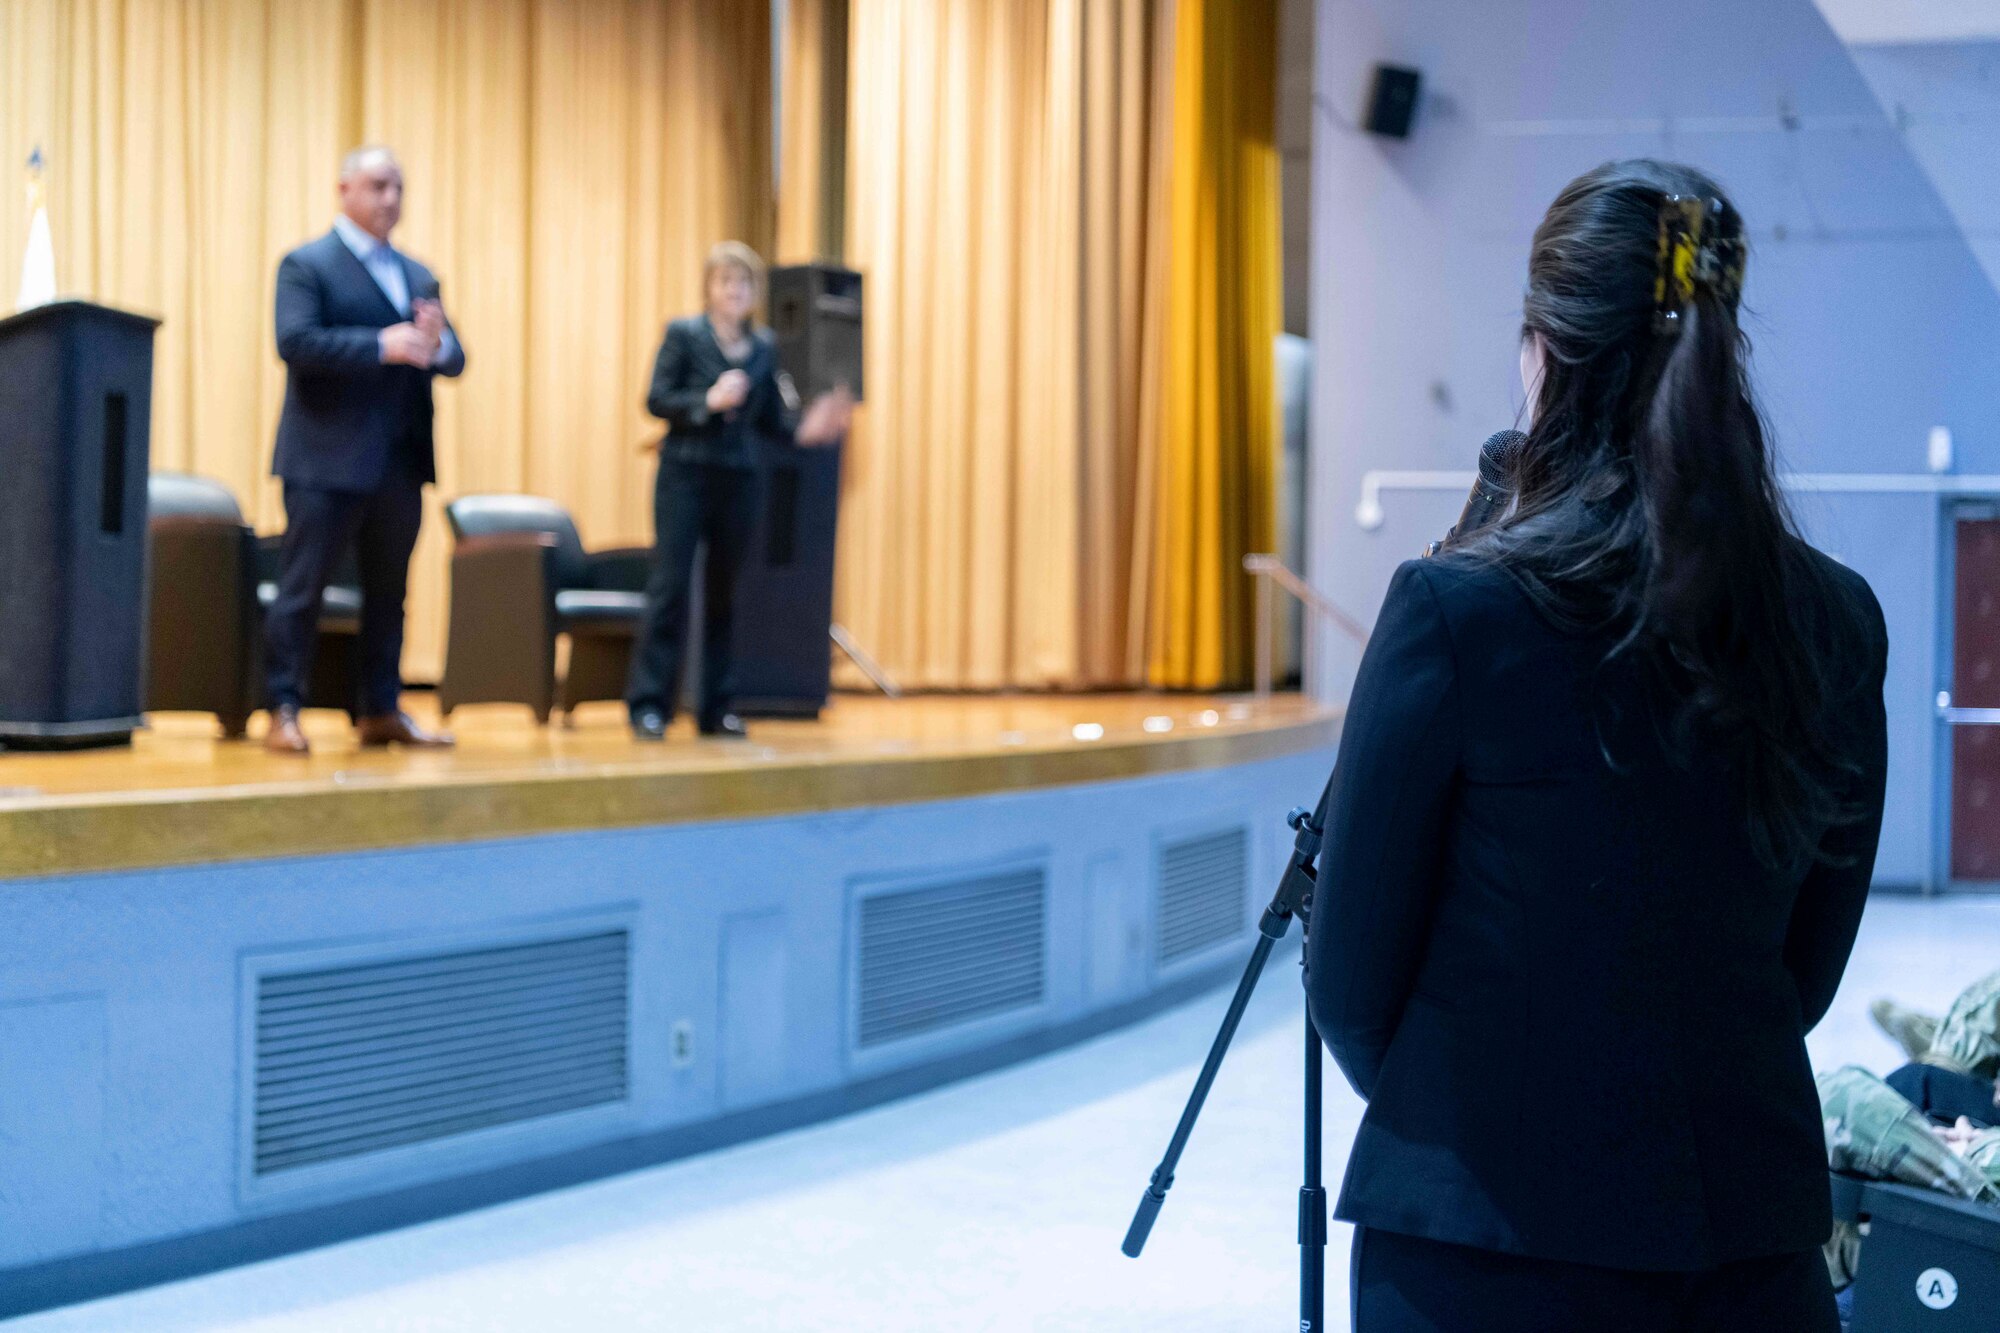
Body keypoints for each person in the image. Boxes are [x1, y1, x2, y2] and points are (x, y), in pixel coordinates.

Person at [1303, 160, 1889, 1332]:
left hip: (1478, 1255)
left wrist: (1482, 1113)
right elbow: (1803, 974)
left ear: (1543, 352)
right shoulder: (1833, 618)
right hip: (1746, 1255)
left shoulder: (1454, 609)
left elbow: (1351, 980)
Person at [264, 145, 464, 755]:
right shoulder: (307, 265)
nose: (390, 199)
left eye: (398, 187)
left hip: (399, 462)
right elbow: (295, 342)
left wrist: (436, 345)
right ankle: (283, 707)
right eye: (378, 185)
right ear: (344, 188)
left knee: (390, 593)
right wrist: (383, 345)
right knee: (304, 589)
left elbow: (454, 356)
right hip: (325, 458)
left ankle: (380, 709)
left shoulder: (418, 273)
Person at [625, 242, 852, 741]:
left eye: (744, 283)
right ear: (709, 287)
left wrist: (808, 428)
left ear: (754, 295)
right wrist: (707, 400)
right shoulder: (683, 335)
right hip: (685, 474)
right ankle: (650, 705)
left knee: (726, 595)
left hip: (739, 478)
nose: (734, 290)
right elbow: (657, 400)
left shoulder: (765, 348)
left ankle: (717, 707)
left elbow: (771, 420)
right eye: (726, 281)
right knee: (670, 588)